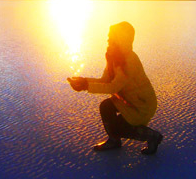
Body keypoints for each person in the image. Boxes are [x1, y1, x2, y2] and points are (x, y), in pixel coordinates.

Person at [68, 21, 163, 155]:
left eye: (112, 36)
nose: (108, 39)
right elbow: (105, 80)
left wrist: (86, 86)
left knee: (118, 127)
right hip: (128, 100)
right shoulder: (114, 56)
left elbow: (113, 87)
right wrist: (84, 82)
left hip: (142, 105)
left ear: (121, 39)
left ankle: (152, 136)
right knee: (106, 106)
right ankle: (114, 141)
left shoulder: (129, 60)